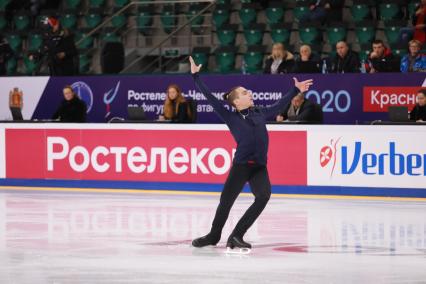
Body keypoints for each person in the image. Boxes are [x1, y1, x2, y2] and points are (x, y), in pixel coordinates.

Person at [189, 56, 313, 251]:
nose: (250, 93)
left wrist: (295, 90)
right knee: (226, 201)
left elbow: (279, 105)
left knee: (263, 196)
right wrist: (196, 76)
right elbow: (210, 98)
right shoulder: (230, 116)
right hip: (241, 166)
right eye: (245, 92)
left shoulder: (259, 112)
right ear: (237, 101)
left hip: (259, 166)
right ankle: (214, 236)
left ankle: (236, 235)